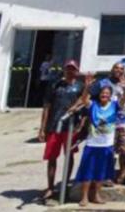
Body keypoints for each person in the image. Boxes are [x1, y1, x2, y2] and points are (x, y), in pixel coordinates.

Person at [39, 59, 85, 202]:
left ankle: (65, 183)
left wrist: (81, 125)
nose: (70, 71)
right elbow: (47, 107)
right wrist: (42, 128)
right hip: (54, 125)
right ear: (64, 70)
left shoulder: (80, 87)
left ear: (77, 71)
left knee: (69, 155)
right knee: (52, 157)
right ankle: (50, 186)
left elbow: (84, 104)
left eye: (73, 69)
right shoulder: (55, 85)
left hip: (71, 127)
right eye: (68, 69)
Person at [73, 75, 118, 207]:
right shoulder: (93, 105)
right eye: (103, 93)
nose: (104, 95)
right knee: (88, 171)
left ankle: (96, 195)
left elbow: (124, 101)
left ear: (110, 95)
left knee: (101, 171)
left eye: (107, 93)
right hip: (92, 143)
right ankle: (84, 197)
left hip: (107, 144)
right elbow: (84, 99)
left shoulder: (114, 105)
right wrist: (87, 86)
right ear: (99, 94)